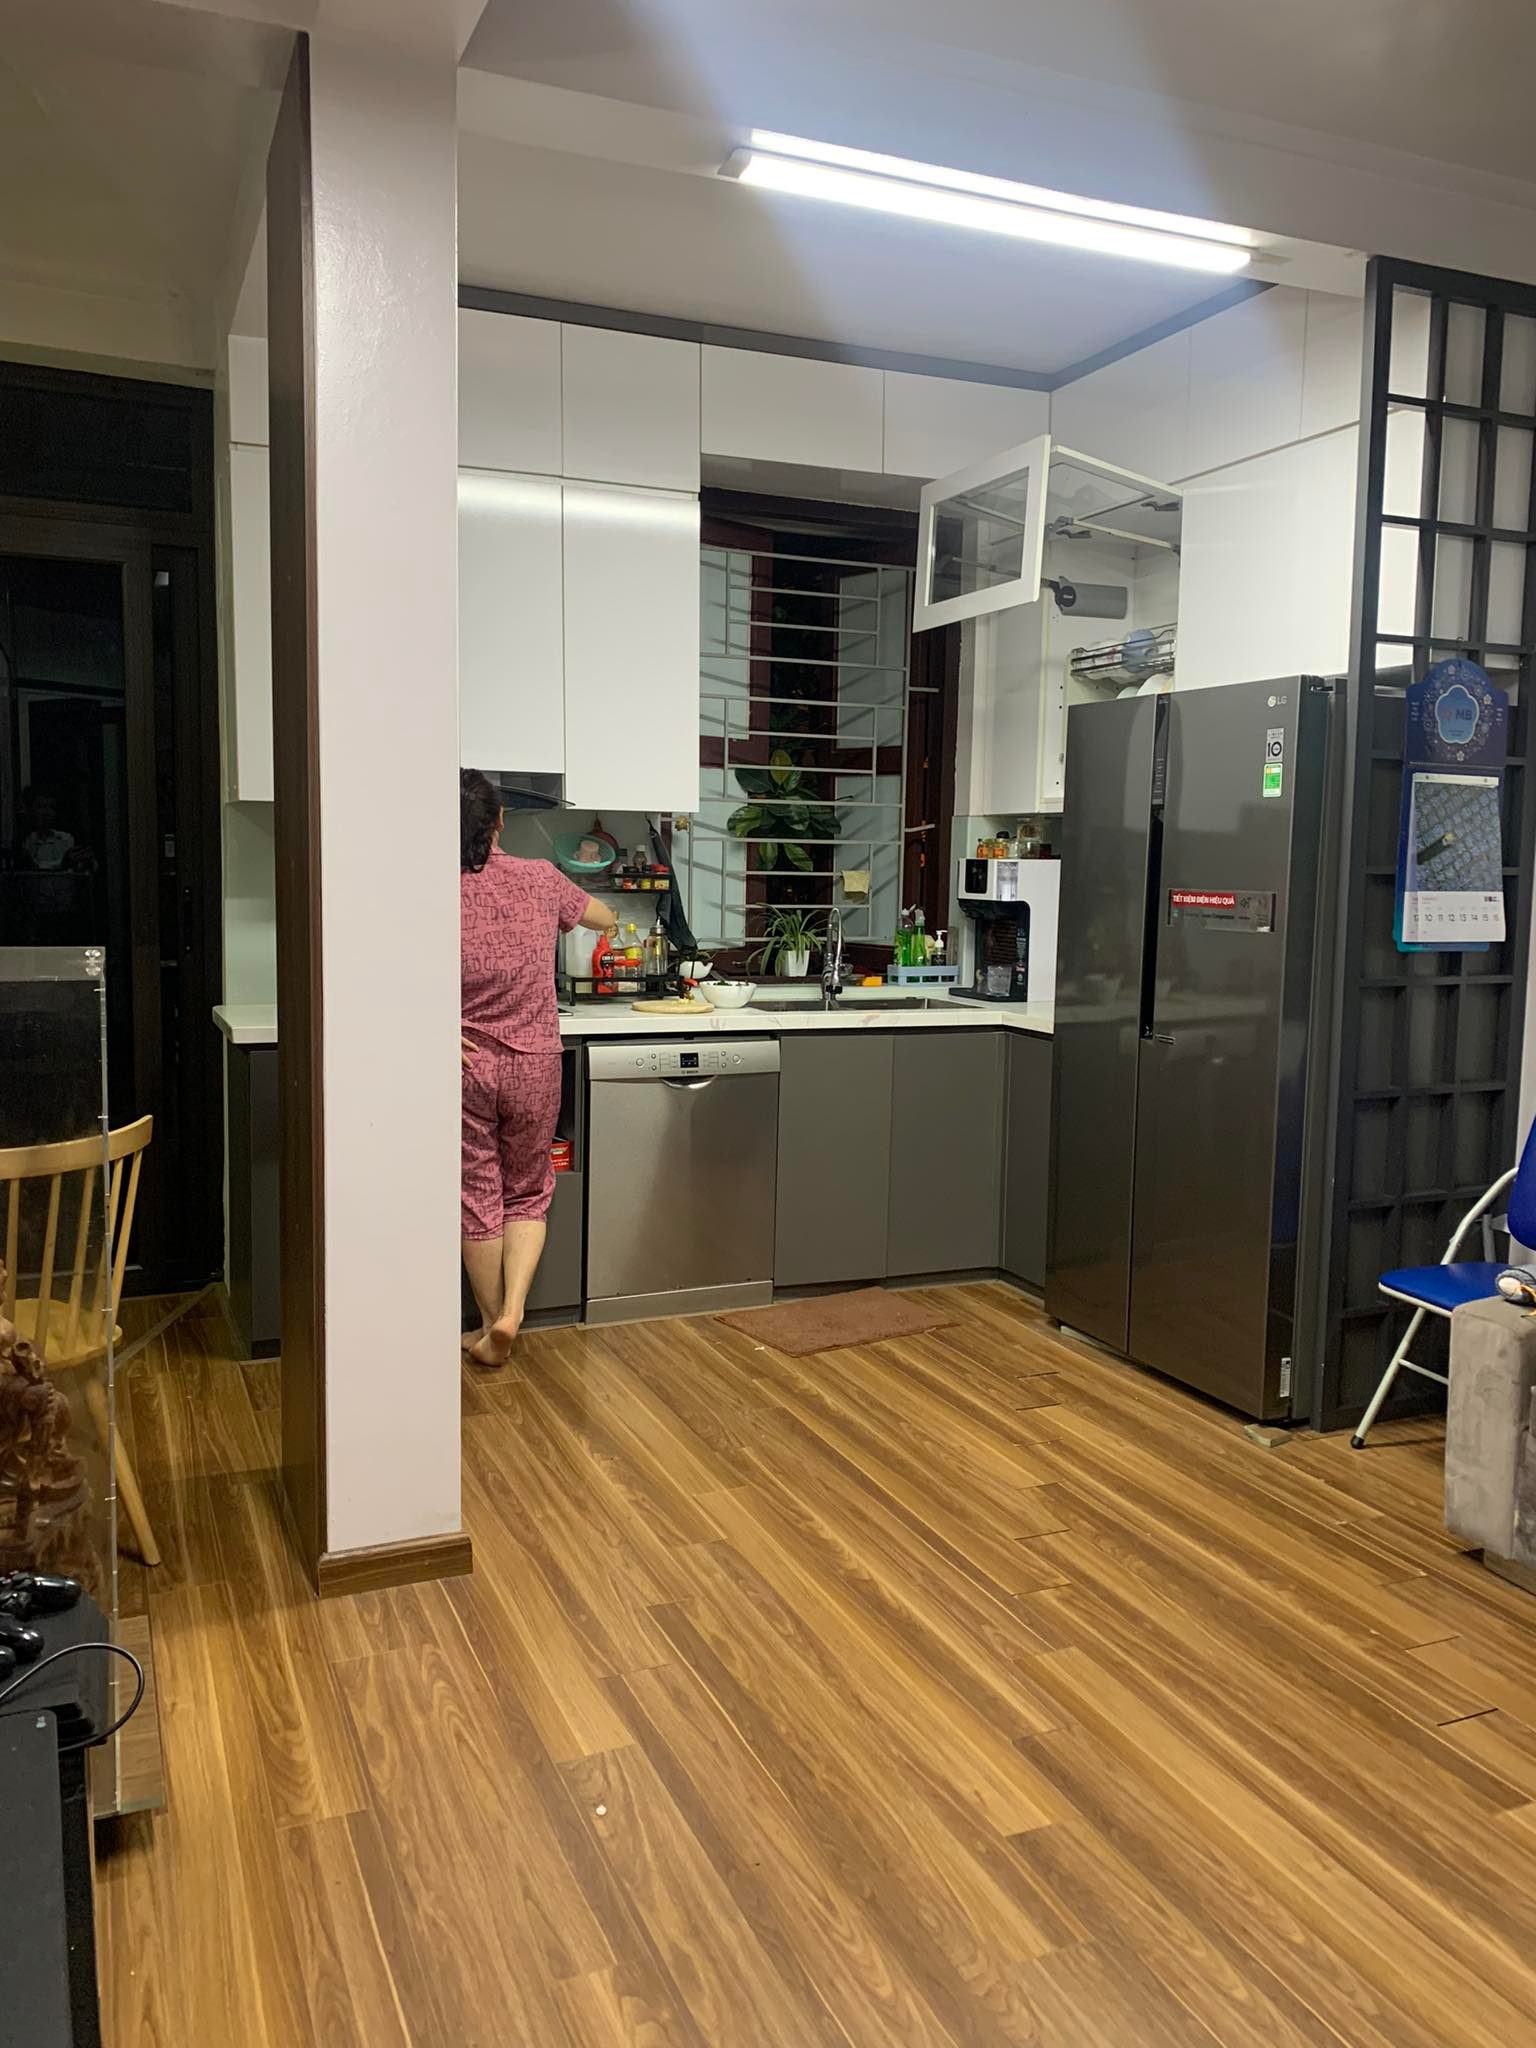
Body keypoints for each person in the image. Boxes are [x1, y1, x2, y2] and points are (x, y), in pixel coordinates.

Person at [459, 769, 616, 1365]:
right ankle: (513, 1313)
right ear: (500, 821)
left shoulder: (427, 890)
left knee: (477, 1193)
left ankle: (486, 1325)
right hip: (535, 1062)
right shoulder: (541, 878)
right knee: (528, 1190)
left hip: (468, 1063)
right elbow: (602, 917)